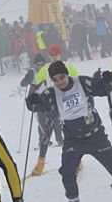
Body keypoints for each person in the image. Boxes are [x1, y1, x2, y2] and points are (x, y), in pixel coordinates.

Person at [26, 61, 112, 202]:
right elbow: (38, 105)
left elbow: (102, 88)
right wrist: (32, 101)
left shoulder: (81, 82)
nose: (60, 81)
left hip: (95, 135)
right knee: (67, 173)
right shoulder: (51, 93)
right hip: (73, 140)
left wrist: (108, 80)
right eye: (55, 79)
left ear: (67, 75)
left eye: (62, 77)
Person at [28, 44, 79, 176]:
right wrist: (31, 96)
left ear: (61, 54)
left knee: (73, 134)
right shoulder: (45, 69)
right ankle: (40, 164)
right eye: (51, 55)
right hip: (52, 105)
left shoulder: (69, 67)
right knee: (46, 135)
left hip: (68, 106)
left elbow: (78, 84)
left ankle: (77, 160)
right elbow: (35, 84)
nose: (54, 57)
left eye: (56, 55)